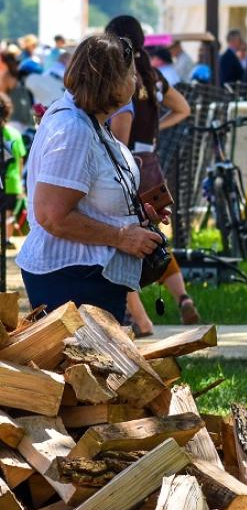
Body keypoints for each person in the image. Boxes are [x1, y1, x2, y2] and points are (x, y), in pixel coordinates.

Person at [16, 33, 167, 321]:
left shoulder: (88, 121)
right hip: (71, 279)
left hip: (87, 277)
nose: (135, 80)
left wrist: (134, 215)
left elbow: (90, 196)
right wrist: (122, 236)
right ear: (111, 81)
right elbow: (52, 215)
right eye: (131, 74)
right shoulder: (74, 129)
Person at [104, 15, 197, 335]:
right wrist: (158, 128)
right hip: (152, 163)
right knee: (153, 240)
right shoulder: (154, 76)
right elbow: (183, 108)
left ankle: (140, 319)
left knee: (122, 241)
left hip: (128, 166)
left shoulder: (123, 76)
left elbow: (121, 134)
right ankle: (182, 297)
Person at [0, 92, 26, 225]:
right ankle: (7, 236)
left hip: (5, 182)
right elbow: (20, 160)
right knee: (8, 216)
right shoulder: (15, 134)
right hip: (13, 183)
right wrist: (20, 183)